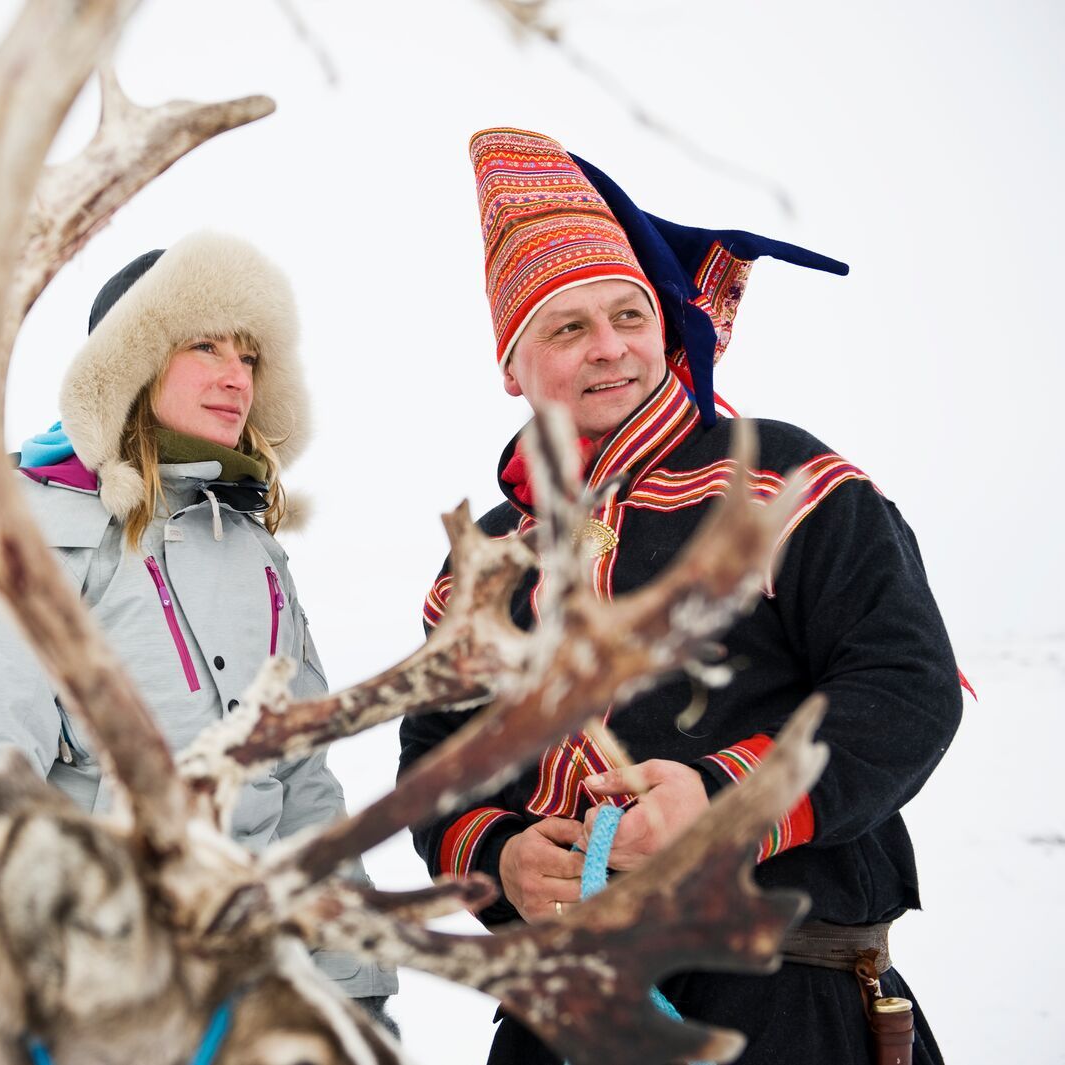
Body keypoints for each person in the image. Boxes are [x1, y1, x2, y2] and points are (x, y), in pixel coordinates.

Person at [399, 128, 964, 1063]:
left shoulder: (788, 479)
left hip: (789, 1001)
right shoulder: (482, 563)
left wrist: (716, 798)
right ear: (512, 366)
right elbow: (437, 764)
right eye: (567, 327)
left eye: (628, 314)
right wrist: (500, 851)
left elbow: (906, 685)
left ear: (664, 323)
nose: (610, 347)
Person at [0, 231, 399, 1015]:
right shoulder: (30, 532)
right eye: (205, 346)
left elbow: (304, 780)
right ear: (134, 362)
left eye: (248, 356)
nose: (235, 376)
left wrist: (354, 984)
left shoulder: (255, 549)